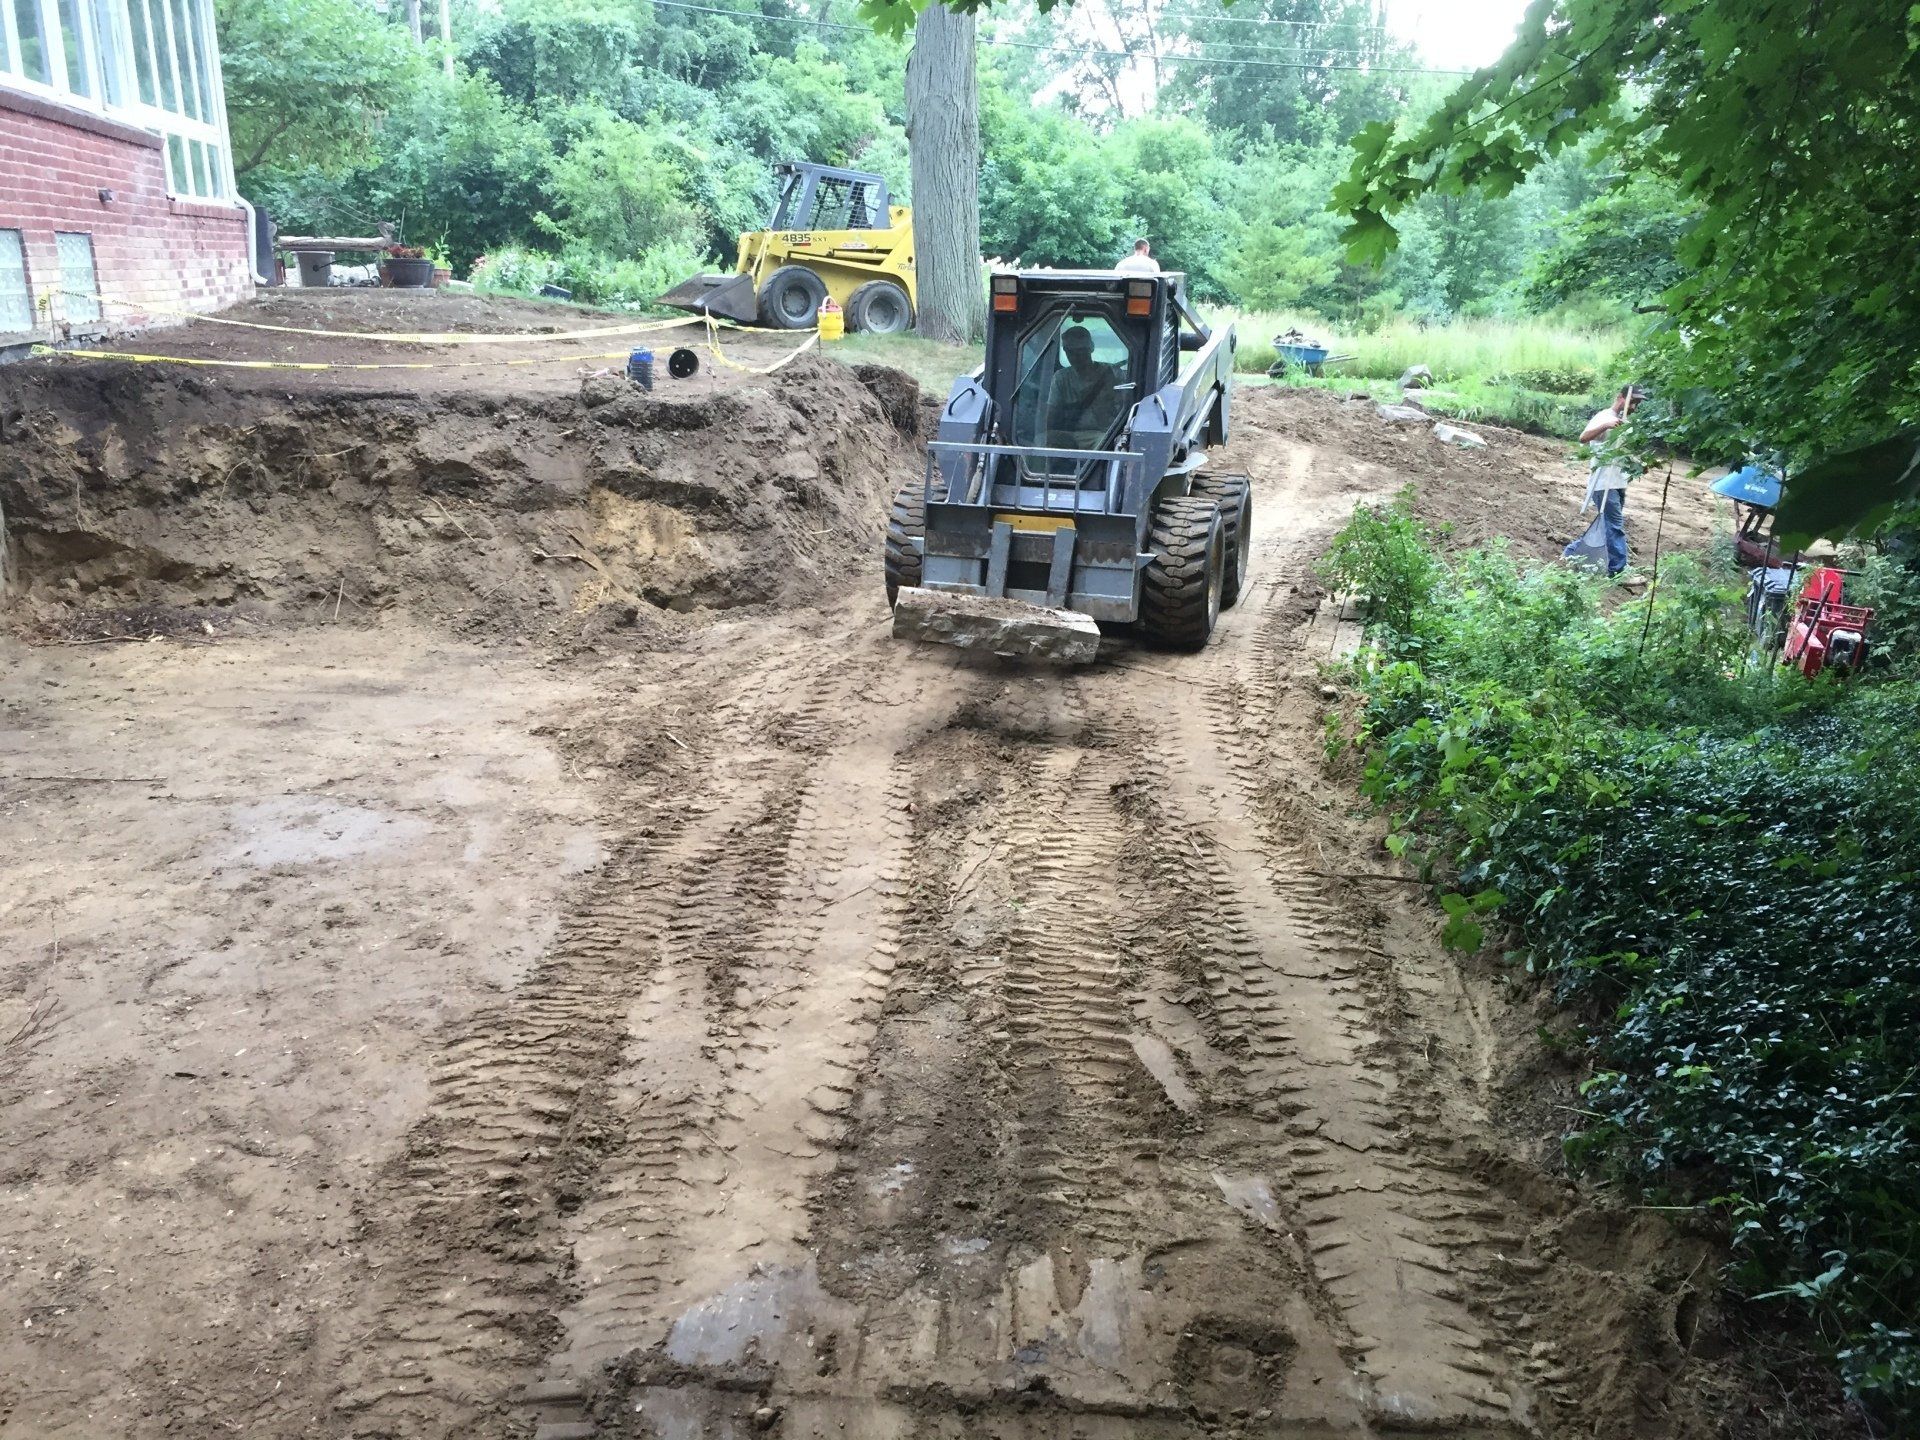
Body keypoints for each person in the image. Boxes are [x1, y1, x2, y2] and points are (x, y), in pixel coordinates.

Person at [1564, 384, 1643, 577]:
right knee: (1615, 526)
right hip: (1603, 484)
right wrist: (1606, 425)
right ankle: (1619, 571)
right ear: (1621, 398)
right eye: (1632, 402)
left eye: (1637, 404)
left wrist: (1639, 463)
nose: (1634, 407)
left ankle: (1572, 552)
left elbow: (1623, 453)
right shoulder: (1604, 417)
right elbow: (1583, 438)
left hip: (1618, 483)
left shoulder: (1625, 424)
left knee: (1609, 524)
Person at [1046, 324, 1122, 449]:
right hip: (1069, 433)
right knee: (1043, 439)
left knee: (1104, 442)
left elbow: (1123, 407)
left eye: (1081, 350)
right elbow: (1051, 418)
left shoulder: (1112, 373)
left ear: (1091, 348)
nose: (1076, 356)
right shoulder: (1061, 378)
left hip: (1101, 433)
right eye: (1070, 351)